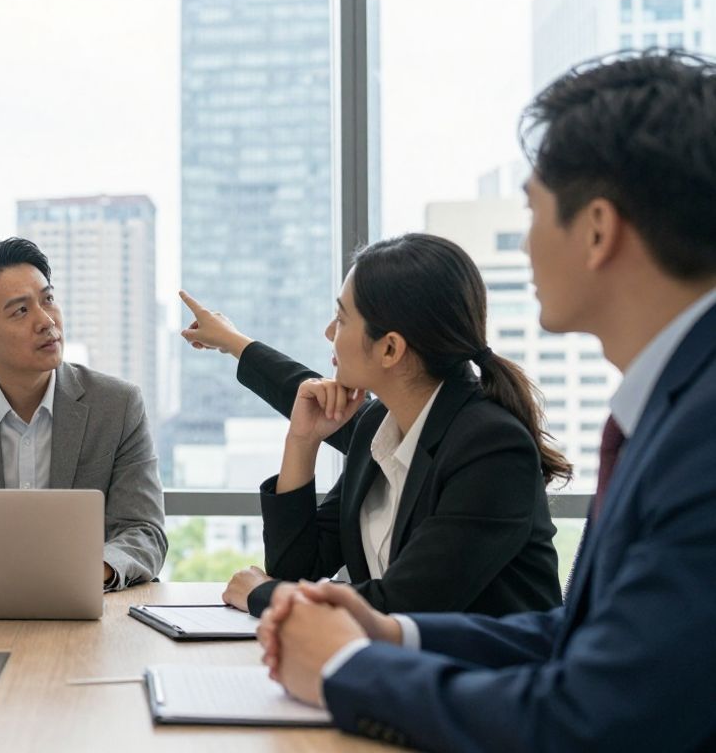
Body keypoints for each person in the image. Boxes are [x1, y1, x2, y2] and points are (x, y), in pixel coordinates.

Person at [258, 51, 716, 751]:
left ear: (597, 229)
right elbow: (583, 636)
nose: (526, 245)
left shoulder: (701, 430)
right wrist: (392, 634)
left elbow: (595, 716)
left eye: (532, 212)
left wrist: (349, 666)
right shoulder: (670, 405)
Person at [181, 232, 564, 618]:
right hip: (401, 669)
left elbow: (407, 605)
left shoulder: (490, 448)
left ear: (391, 349)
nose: (329, 332)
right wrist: (302, 441)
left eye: (342, 318)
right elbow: (297, 569)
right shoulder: (378, 428)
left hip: (492, 673)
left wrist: (266, 597)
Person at [0, 237, 166, 589]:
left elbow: (144, 531)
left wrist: (86, 572)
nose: (46, 321)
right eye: (21, 311)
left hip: (85, 608)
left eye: (48, 300)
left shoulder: (117, 406)